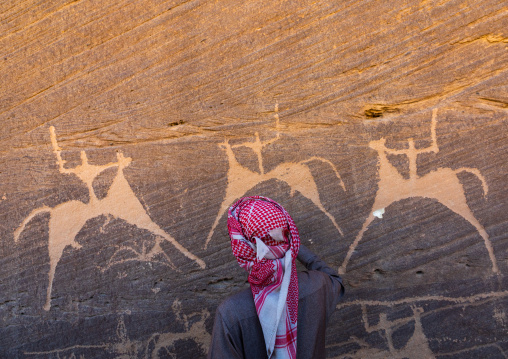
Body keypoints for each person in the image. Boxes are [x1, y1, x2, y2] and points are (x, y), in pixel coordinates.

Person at [208, 196, 344, 359]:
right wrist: (292, 245)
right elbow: (336, 279)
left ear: (242, 248)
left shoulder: (231, 313)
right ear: (289, 235)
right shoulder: (319, 286)